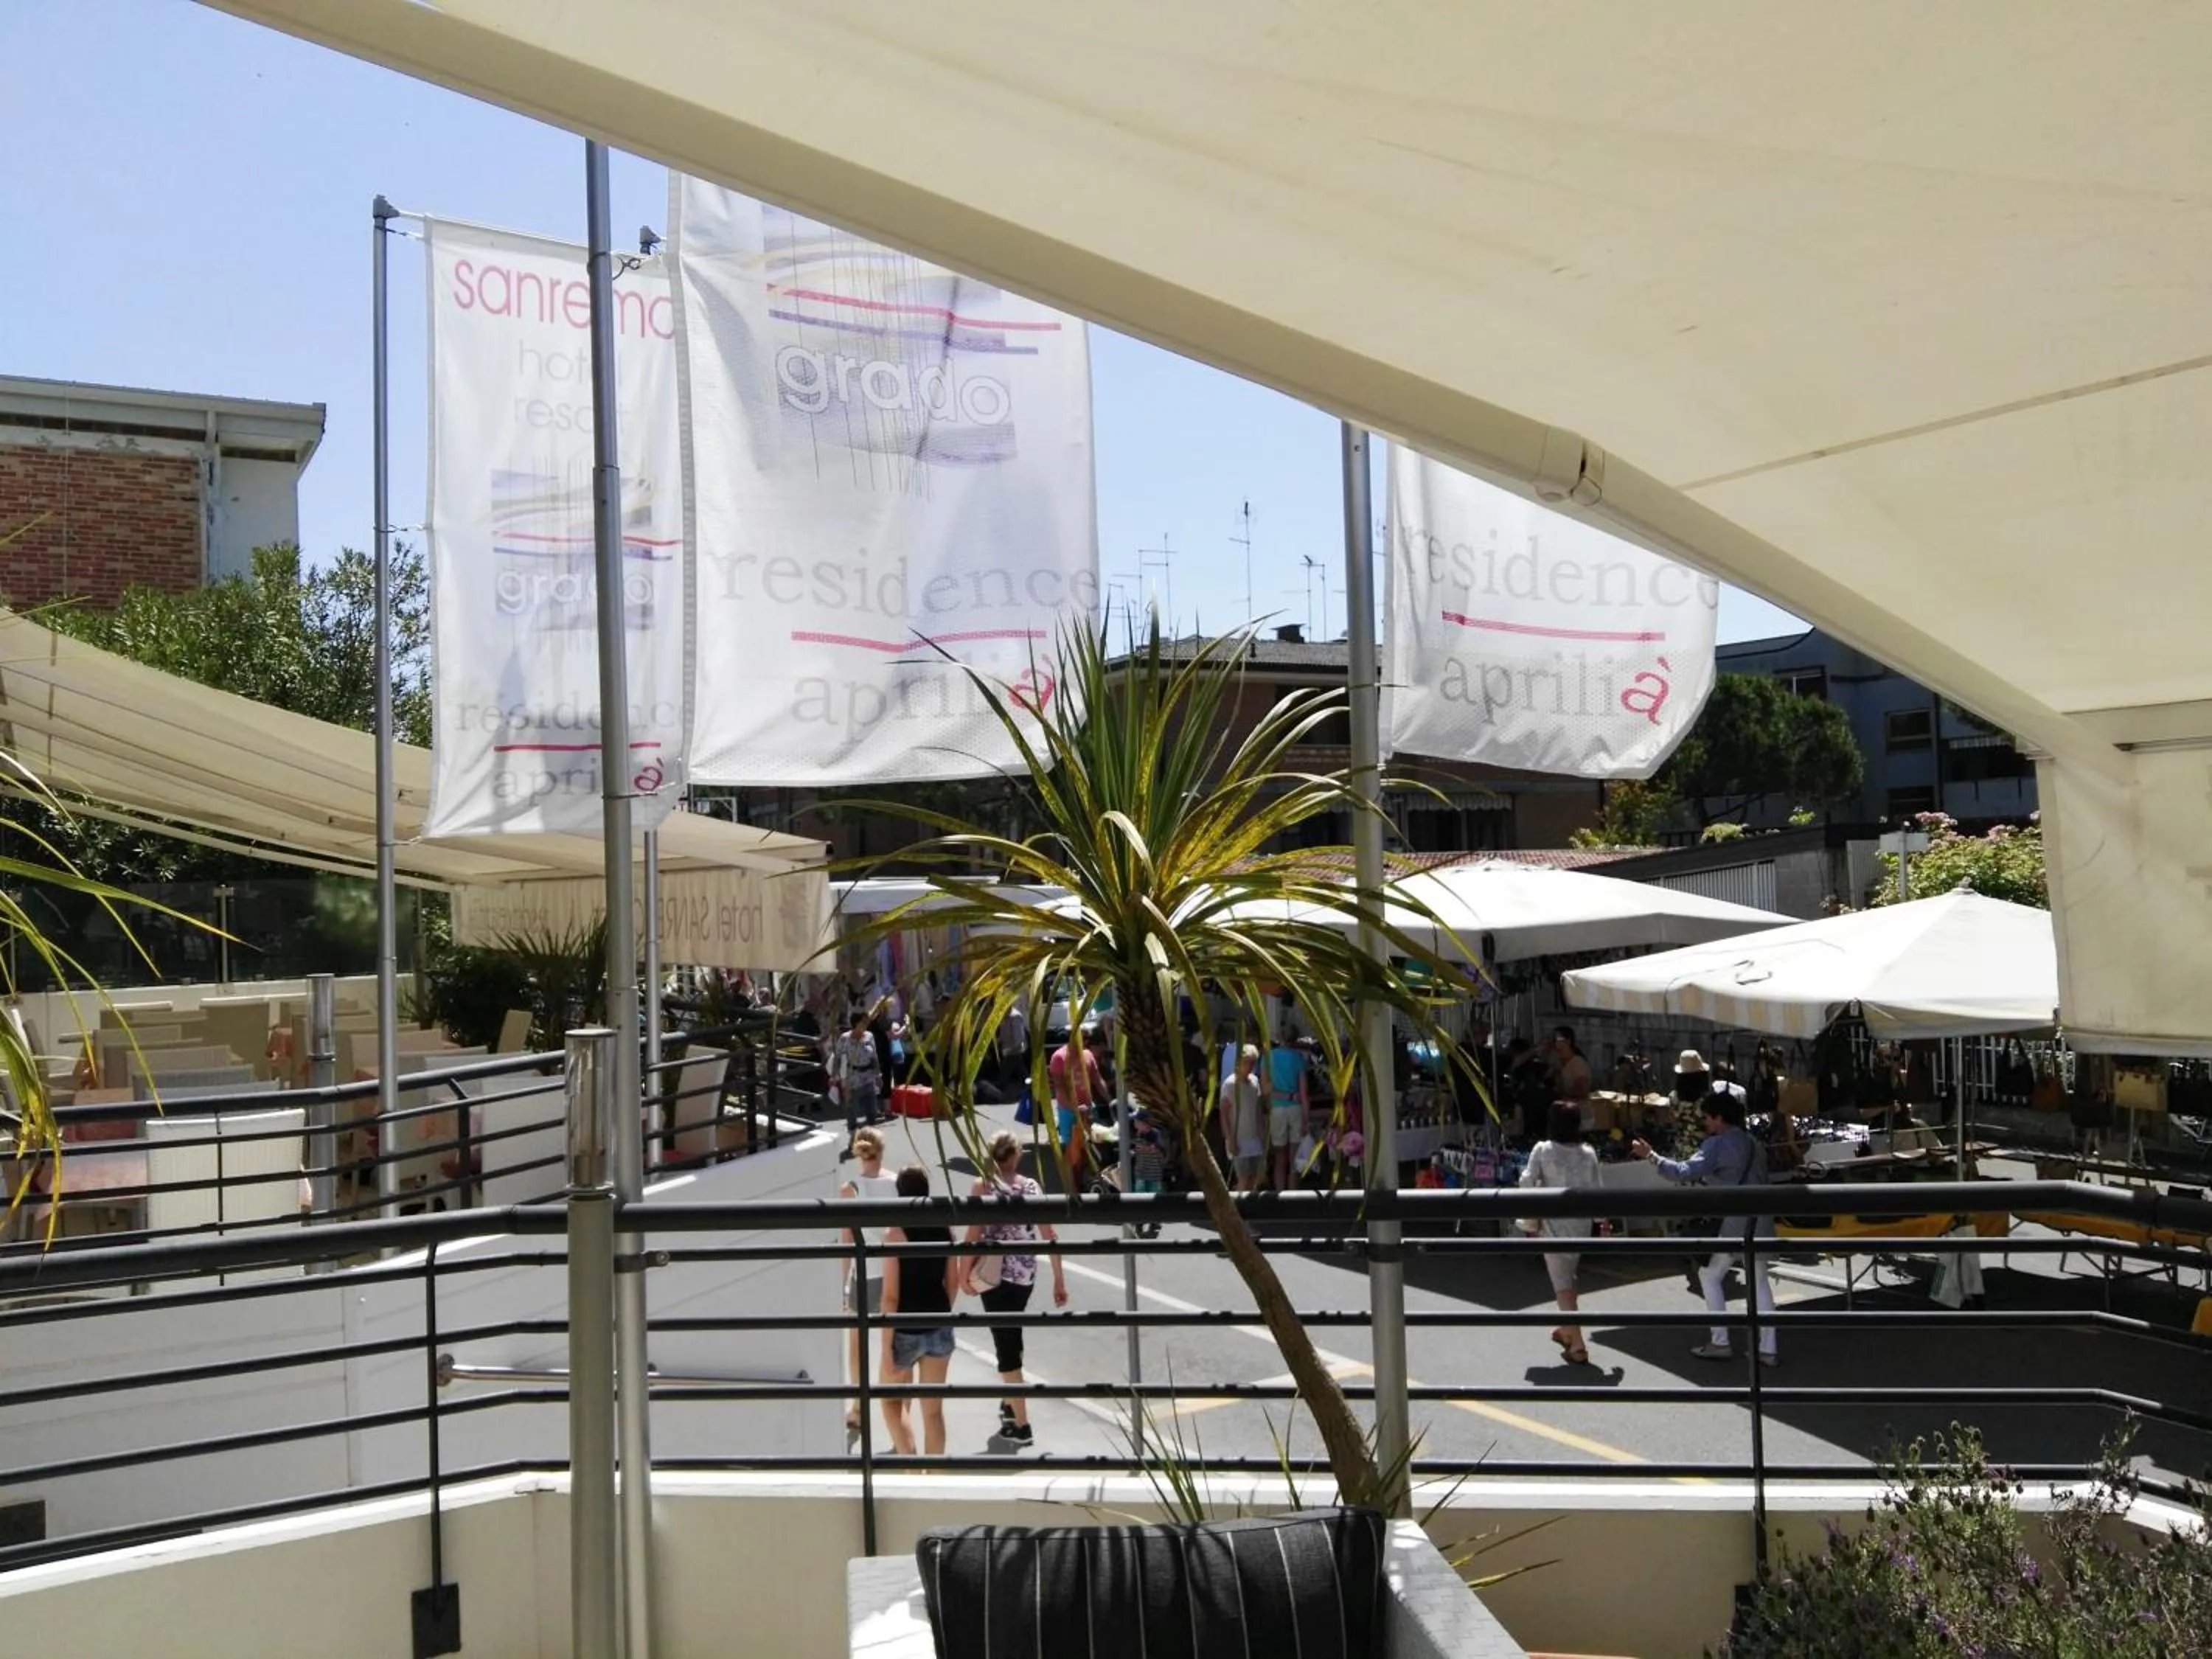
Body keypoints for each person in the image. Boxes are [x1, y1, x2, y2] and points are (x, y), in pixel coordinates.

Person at [1632, 1091, 1779, 1366]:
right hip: (1762, 1218)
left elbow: (1683, 1172)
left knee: (1710, 1276)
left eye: (1707, 1118)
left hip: (1734, 1222)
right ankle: (1768, 1349)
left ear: (1719, 1118)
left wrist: (1651, 1155)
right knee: (1759, 1282)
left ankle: (1720, 1341)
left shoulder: (1717, 1144)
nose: (1705, 1123)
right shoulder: (1754, 1143)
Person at [960, 1131, 1069, 1446]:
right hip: (1025, 1275)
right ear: (1016, 1155)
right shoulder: (1032, 1186)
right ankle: (1010, 1402)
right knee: (1012, 1334)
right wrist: (1059, 1279)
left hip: (994, 1276)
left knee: (1005, 1346)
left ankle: (1021, 1425)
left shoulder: (983, 1186)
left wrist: (963, 1275)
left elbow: (972, 1235)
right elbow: (1050, 1234)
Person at [878, 1164, 957, 1457]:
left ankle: (911, 1468)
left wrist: (885, 1347)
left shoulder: (895, 1233)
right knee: (933, 1412)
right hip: (939, 1322)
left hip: (905, 1329)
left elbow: (890, 1297)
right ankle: (934, 1477)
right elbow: (953, 1282)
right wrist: (942, 1313)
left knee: (891, 1402)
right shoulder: (945, 1228)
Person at [1520, 1101, 1605, 1365]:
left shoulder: (1543, 1150)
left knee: (1562, 1283)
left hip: (1553, 1224)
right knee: (1569, 1276)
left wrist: (1530, 1220)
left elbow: (1526, 1182)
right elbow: (1598, 1190)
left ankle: (1577, 1344)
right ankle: (1567, 1327)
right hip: (1580, 1225)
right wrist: (1603, 1222)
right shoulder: (1588, 1153)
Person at [836, 1128, 901, 1444]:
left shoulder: (850, 1190)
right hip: (894, 1271)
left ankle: (858, 1407)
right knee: (893, 1343)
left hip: (864, 1274)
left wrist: (841, 1285)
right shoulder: (898, 1183)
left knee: (857, 1344)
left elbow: (846, 1243)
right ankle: (894, 1407)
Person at [1048, 1026, 1107, 1193]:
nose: (1086, 1042)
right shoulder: (1059, 1058)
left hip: (1088, 1109)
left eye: (1087, 1039)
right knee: (1071, 1152)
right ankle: (1072, 1190)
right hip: (1069, 1111)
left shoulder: (1088, 1055)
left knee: (1089, 1148)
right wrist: (1075, 1108)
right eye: (1083, 1038)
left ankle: (1084, 1183)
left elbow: (1097, 1080)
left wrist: (1110, 1101)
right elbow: (1060, 1089)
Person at [831, 1011, 883, 1148]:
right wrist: (834, 1075)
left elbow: (875, 1057)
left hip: (868, 1077)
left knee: (872, 1109)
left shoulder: (869, 1036)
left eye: (866, 1022)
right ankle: (853, 1135)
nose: (866, 1024)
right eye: (863, 1022)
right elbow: (837, 1058)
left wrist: (878, 1075)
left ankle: (871, 1138)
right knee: (852, 1110)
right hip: (853, 1079)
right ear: (856, 1023)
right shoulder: (845, 1038)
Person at [1266, 1030, 1310, 1191]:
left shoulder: (1268, 1058)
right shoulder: (1298, 1059)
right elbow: (1304, 1094)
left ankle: (1280, 1193)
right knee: (1294, 1157)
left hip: (1277, 1108)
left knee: (1279, 1156)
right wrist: (1306, 1120)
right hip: (1295, 1109)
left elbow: (1265, 1089)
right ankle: (1293, 1194)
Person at [1222, 1043, 1266, 1194]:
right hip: (1239, 1139)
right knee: (1243, 1178)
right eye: (1247, 1062)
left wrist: (1262, 1136)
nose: (1250, 1066)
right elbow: (1224, 1114)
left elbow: (1258, 1111)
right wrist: (1230, 1139)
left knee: (1255, 1179)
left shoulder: (1255, 1082)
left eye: (1253, 1063)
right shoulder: (1230, 1084)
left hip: (1254, 1139)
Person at [1548, 1026, 1595, 1101]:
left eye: (1556, 1040)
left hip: (1578, 1106)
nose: (1554, 1044)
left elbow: (1582, 1091)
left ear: (1568, 1041)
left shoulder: (1577, 1063)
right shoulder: (1559, 1063)